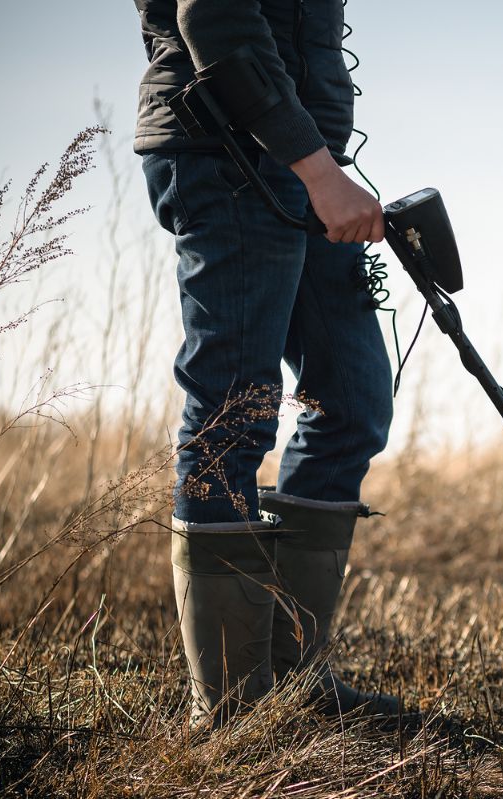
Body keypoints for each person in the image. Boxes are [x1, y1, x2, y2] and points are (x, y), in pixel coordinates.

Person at [132, 0, 399, 726]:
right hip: (225, 151)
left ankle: (292, 681)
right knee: (234, 413)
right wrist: (317, 170)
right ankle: (229, 712)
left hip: (301, 161)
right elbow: (215, 17)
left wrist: (319, 165)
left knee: (351, 401)